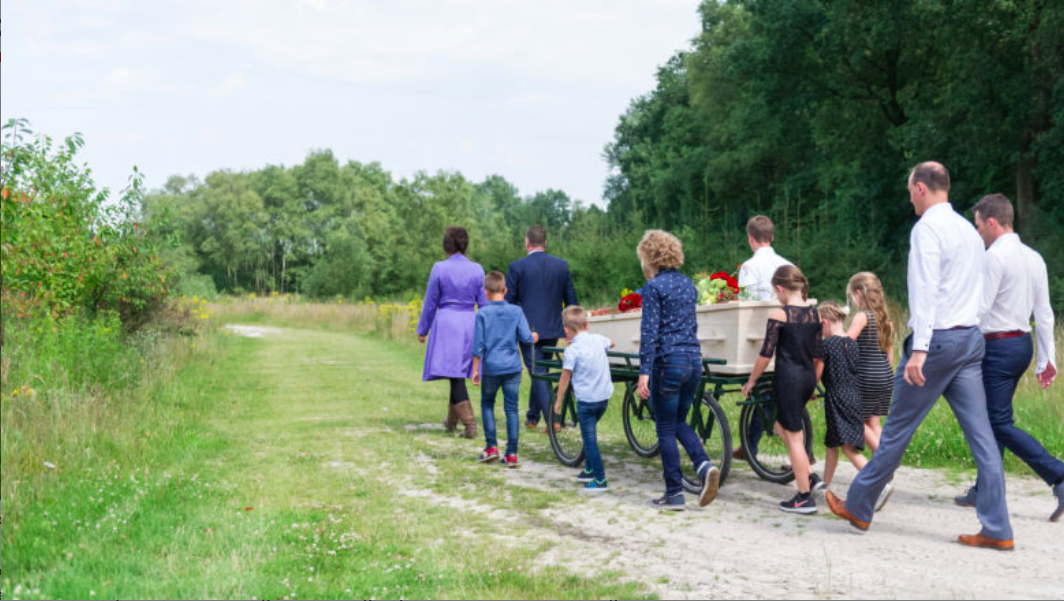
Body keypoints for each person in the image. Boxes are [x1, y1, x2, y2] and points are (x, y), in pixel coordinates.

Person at [826, 161, 1014, 551]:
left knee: (894, 431)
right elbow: (980, 292)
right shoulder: (968, 230)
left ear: (922, 188)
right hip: (969, 340)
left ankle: (859, 507)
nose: (909, 195)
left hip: (938, 344)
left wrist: (921, 349)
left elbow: (925, 292)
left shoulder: (927, 229)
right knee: (983, 438)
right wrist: (969, 327)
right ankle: (997, 528)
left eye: (910, 188)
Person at [953, 193, 1063, 522]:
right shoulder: (1034, 258)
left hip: (997, 348)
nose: (977, 234)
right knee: (992, 418)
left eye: (978, 226)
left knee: (997, 422)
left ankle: (1059, 475)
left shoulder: (993, 258)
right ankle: (985, 489)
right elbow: (1044, 315)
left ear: (991, 222)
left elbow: (980, 309)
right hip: (1021, 346)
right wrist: (1048, 359)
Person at [635, 230, 720, 511]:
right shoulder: (687, 285)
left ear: (649, 256)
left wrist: (644, 371)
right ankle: (703, 464)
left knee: (665, 427)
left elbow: (650, 332)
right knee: (679, 422)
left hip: (667, 362)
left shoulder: (653, 288)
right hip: (693, 360)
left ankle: (674, 493)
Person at [741, 265, 822, 514]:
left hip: (788, 379)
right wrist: (814, 383)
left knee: (795, 438)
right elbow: (819, 355)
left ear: (780, 288)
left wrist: (752, 380)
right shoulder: (815, 315)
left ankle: (804, 497)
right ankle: (811, 477)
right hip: (808, 376)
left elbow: (766, 354)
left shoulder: (780, 314)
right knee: (780, 427)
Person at [417, 226, 490, 439]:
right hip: (470, 323)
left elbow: (431, 302)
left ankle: (470, 424)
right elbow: (483, 305)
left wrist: (423, 328)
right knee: (455, 374)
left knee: (455, 376)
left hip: (447, 324)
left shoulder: (439, 268)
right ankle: (451, 422)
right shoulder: (477, 269)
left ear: (446, 244)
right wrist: (486, 330)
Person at [734, 215, 795, 462]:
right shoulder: (788, 266)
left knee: (760, 392)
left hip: (759, 338)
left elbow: (745, 304)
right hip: (788, 338)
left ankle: (750, 446)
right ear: (772, 237)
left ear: (751, 238)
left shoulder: (749, 267)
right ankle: (750, 445)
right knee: (771, 393)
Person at [506, 225, 579, 430]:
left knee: (538, 373)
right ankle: (532, 416)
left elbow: (508, 302)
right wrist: (573, 330)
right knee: (541, 371)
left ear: (527, 242)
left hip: (528, 331)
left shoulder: (517, 267)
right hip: (553, 329)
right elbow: (572, 301)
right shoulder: (561, 266)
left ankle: (553, 418)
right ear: (545, 243)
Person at [471, 271, 537, 467]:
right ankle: (512, 454)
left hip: (491, 367)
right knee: (511, 410)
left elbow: (478, 345)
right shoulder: (516, 311)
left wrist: (476, 369)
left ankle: (491, 447)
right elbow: (526, 338)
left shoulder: (482, 313)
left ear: (486, 292)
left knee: (487, 404)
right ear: (505, 290)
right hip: (512, 368)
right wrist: (536, 336)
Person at [814, 302, 877, 504]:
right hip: (854, 396)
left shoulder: (826, 345)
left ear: (824, 323)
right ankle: (825, 486)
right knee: (832, 444)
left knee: (849, 449)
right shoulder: (853, 343)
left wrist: (808, 392)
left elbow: (817, 375)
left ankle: (879, 485)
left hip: (837, 399)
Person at [554, 305, 615, 492]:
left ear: (566, 330)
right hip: (603, 398)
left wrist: (558, 401)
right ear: (587, 325)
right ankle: (588, 469)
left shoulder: (572, 351)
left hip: (586, 401)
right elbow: (611, 343)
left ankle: (600, 479)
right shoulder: (598, 339)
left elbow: (565, 377)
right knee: (590, 434)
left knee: (589, 439)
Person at [846, 272, 896, 454]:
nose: (851, 301)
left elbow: (847, 342)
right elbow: (890, 356)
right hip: (885, 377)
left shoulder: (862, 317)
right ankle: (884, 463)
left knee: (855, 418)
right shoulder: (886, 320)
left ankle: (885, 461)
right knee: (874, 422)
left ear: (859, 293)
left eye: (851, 296)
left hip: (866, 377)